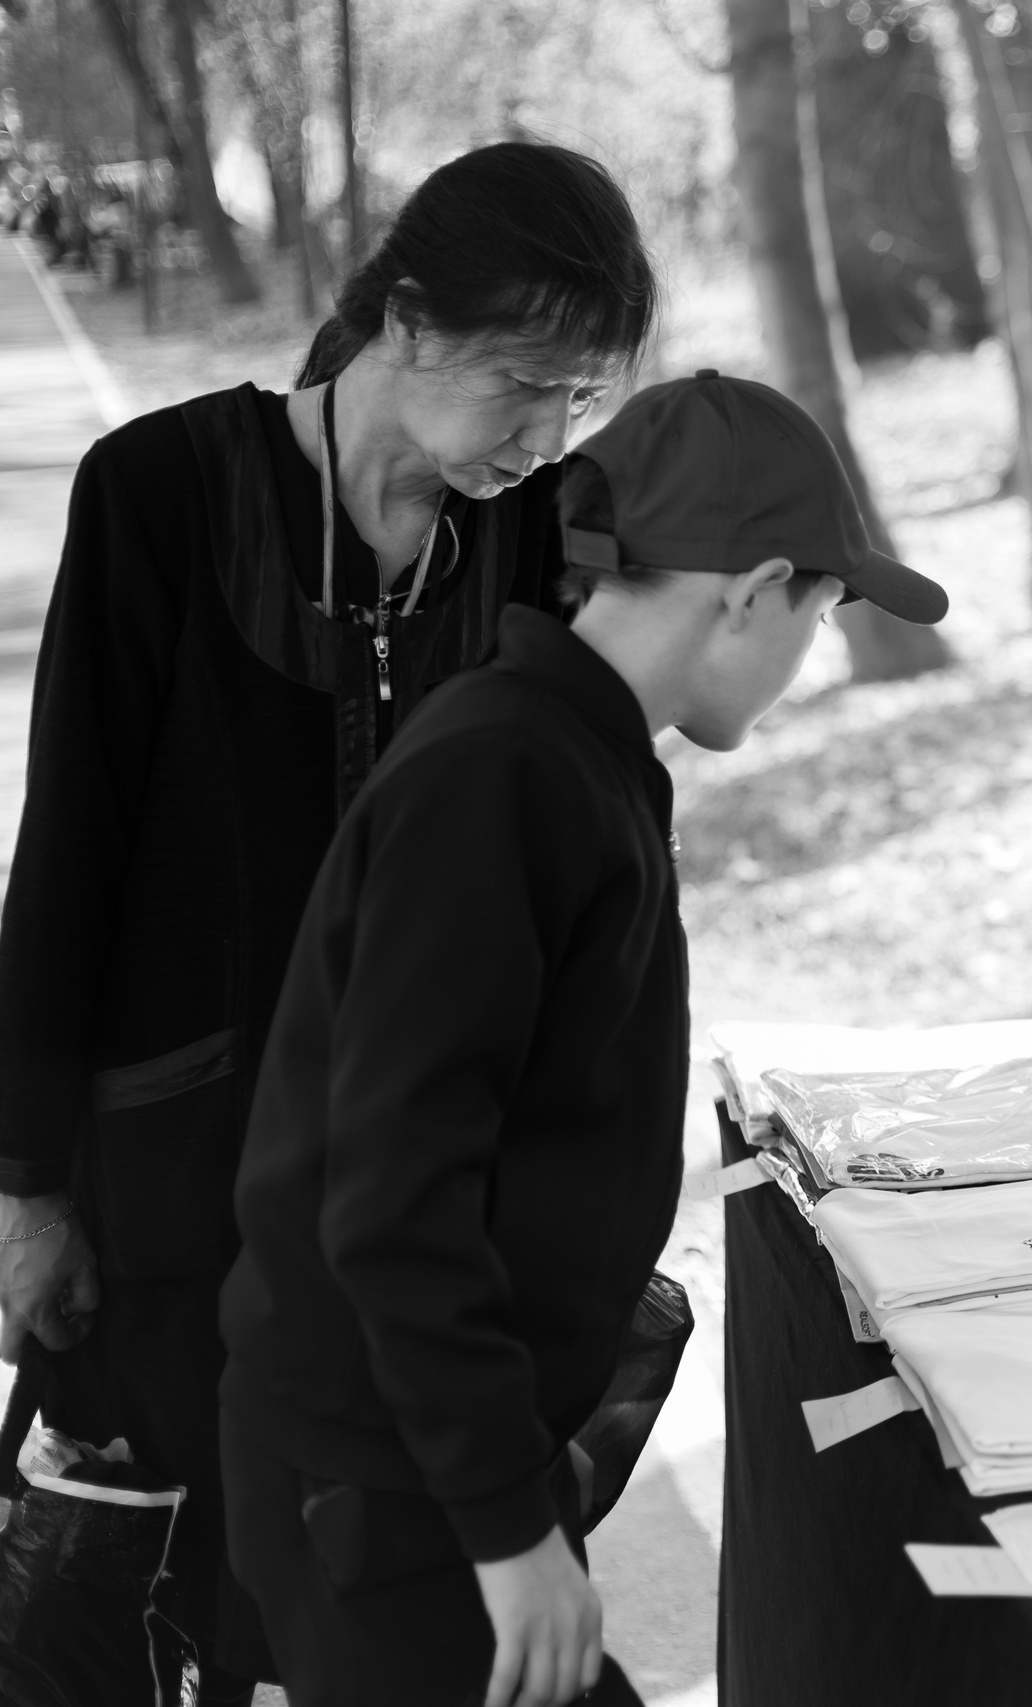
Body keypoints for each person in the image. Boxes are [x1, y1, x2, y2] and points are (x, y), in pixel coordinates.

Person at [0, 142, 656, 1697]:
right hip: (181, 1181)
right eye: (525, 380)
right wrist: (25, 1186)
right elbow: (70, 847)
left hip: (419, 1197)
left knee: (369, 1610)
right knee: (186, 1606)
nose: (546, 431)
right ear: (406, 321)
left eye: (581, 397)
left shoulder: (532, 535)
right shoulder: (159, 494)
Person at [218, 370, 950, 1706]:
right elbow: (389, 1194)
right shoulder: (503, 776)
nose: (817, 649)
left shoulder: (577, 749)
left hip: (423, 1452)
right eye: (824, 609)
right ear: (750, 590)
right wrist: (505, 1525)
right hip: (379, 1476)